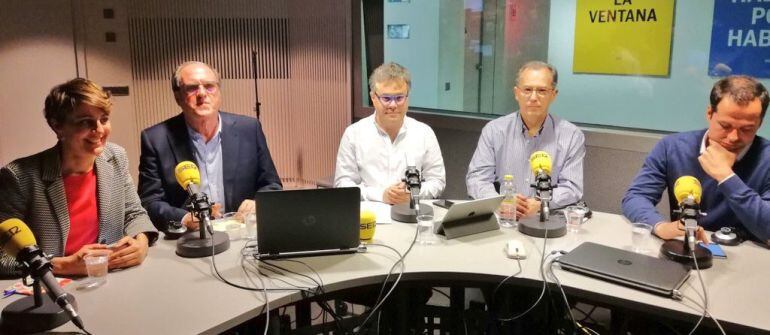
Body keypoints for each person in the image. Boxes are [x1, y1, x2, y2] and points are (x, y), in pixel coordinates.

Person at [0, 78, 158, 276]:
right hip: (53, 289)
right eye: (85, 122)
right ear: (57, 126)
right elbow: (1, 256)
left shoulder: (116, 157)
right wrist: (59, 266)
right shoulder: (19, 176)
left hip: (111, 279)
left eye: (104, 119)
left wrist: (141, 242)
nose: (99, 130)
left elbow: (134, 213)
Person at [622, 75, 770, 244]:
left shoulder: (766, 158)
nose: (733, 137)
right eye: (725, 126)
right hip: (686, 246)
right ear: (709, 113)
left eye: (746, 129)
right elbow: (636, 197)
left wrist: (727, 177)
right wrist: (660, 226)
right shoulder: (672, 147)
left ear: (759, 124)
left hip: (748, 256)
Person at [138, 61, 282, 232]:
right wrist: (183, 218)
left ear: (219, 92)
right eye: (192, 88)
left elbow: (272, 185)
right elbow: (150, 202)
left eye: (209, 86)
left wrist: (258, 203)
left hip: (241, 234)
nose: (202, 94)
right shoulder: (156, 138)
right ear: (177, 97)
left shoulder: (250, 129)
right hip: (188, 240)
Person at [466, 61, 585, 218]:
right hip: (503, 217)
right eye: (527, 90)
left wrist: (542, 201)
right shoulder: (495, 130)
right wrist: (500, 200)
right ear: (516, 93)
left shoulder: (572, 136)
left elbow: (572, 187)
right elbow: (476, 179)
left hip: (546, 219)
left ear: (553, 95)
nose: (533, 97)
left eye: (542, 90)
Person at [334, 62, 445, 203]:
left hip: (411, 214)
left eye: (399, 98)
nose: (393, 105)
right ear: (373, 97)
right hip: (370, 217)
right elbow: (343, 184)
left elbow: (437, 181)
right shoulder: (354, 134)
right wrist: (381, 195)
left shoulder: (424, 133)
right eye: (386, 98)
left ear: (407, 97)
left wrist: (413, 193)